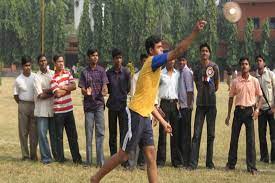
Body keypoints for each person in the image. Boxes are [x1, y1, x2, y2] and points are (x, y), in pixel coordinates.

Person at [90, 20, 206, 183]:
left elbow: (149, 103)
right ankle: (95, 178)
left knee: (151, 156)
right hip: (136, 115)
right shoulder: (153, 61)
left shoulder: (156, 68)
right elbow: (179, 50)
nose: (162, 50)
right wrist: (194, 32)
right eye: (159, 47)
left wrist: (163, 122)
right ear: (151, 50)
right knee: (123, 155)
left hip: (145, 117)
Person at [225, 57, 263, 175]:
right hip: (238, 111)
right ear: (240, 66)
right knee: (234, 139)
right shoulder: (235, 81)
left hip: (249, 112)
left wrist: (257, 109)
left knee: (250, 140)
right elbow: (231, 98)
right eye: (242, 64)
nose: (244, 66)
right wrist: (228, 115)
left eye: (246, 64)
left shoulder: (255, 81)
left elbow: (260, 97)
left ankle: (251, 167)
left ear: (249, 67)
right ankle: (231, 164)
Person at [189, 43, 220, 170]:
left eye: (207, 51)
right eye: (202, 51)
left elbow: (217, 85)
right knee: (196, 134)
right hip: (200, 105)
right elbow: (196, 82)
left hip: (211, 105)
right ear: (200, 53)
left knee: (211, 135)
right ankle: (193, 164)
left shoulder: (214, 67)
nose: (204, 53)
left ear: (210, 53)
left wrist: (209, 91)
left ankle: (209, 163)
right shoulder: (196, 67)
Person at [78, 49, 108, 167]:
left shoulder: (102, 71)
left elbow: (105, 86)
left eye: (96, 55)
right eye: (93, 55)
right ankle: (88, 161)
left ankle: (100, 162)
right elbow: (82, 89)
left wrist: (105, 90)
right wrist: (86, 92)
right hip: (89, 107)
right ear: (88, 57)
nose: (95, 57)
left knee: (100, 133)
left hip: (99, 105)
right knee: (89, 134)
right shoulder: (84, 72)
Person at [50, 54, 82, 164]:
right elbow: (57, 94)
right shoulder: (53, 78)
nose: (61, 63)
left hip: (69, 111)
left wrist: (64, 87)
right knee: (59, 137)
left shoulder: (68, 73)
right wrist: (67, 89)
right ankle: (60, 159)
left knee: (73, 136)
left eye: (62, 61)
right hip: (58, 112)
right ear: (54, 63)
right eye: (59, 62)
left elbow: (74, 86)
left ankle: (77, 159)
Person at [156, 54, 182, 168]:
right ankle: (160, 161)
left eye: (173, 59)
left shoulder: (178, 74)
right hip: (164, 104)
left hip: (175, 104)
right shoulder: (161, 74)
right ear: (166, 61)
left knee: (175, 133)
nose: (171, 61)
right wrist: (157, 106)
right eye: (169, 60)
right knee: (162, 133)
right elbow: (155, 90)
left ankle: (175, 161)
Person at [106, 48, 130, 157]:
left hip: (123, 106)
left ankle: (122, 156)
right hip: (112, 106)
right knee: (112, 133)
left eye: (120, 58)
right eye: (116, 58)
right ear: (113, 59)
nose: (119, 60)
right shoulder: (108, 73)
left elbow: (128, 88)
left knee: (123, 133)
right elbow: (108, 89)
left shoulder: (126, 72)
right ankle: (113, 156)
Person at [14, 56, 38, 161]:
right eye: (25, 65)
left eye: (29, 65)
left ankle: (33, 155)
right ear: (22, 66)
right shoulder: (18, 79)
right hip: (23, 105)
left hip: (34, 105)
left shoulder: (35, 77)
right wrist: (21, 104)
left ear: (31, 65)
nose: (27, 67)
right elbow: (15, 95)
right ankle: (25, 155)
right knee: (23, 131)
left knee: (34, 132)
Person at [34, 54, 57, 164]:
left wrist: (46, 90)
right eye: (41, 61)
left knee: (54, 135)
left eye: (44, 60)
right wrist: (53, 92)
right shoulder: (36, 77)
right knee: (42, 135)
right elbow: (40, 96)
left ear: (47, 61)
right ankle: (46, 158)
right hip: (41, 111)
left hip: (53, 109)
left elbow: (58, 88)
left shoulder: (53, 74)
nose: (43, 62)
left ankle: (57, 156)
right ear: (38, 63)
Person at [255, 55, 275, 164]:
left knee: (273, 135)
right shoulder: (255, 77)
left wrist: (274, 107)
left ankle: (274, 158)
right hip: (261, 110)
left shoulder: (271, 74)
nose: (258, 63)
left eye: (260, 61)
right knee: (262, 135)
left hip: (271, 109)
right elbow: (255, 95)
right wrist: (256, 109)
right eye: (257, 61)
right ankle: (264, 157)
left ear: (264, 63)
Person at [178, 56, 194, 168]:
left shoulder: (187, 72)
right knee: (182, 133)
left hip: (186, 107)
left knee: (186, 134)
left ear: (186, 61)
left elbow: (190, 90)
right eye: (180, 61)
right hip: (181, 106)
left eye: (184, 60)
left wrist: (188, 106)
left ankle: (187, 159)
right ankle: (182, 158)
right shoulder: (180, 72)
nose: (182, 62)